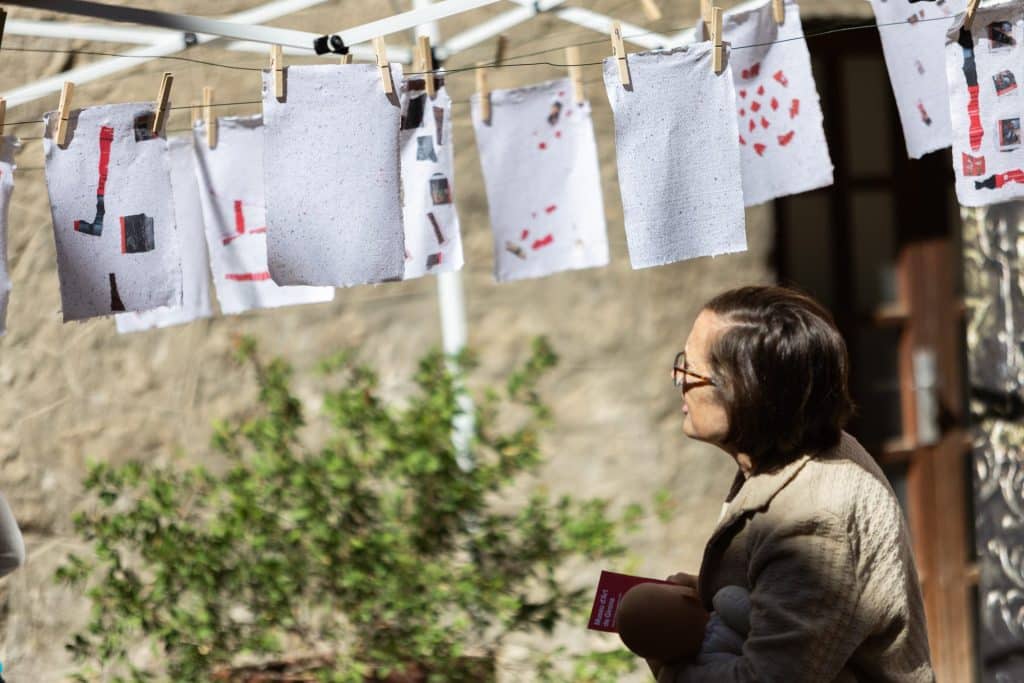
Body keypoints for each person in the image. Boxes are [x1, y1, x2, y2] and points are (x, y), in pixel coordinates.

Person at [638, 286, 935, 682]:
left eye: (690, 370)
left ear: (744, 390)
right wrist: (707, 593)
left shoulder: (814, 518)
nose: (677, 378)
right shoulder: (787, 454)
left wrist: (667, 662)